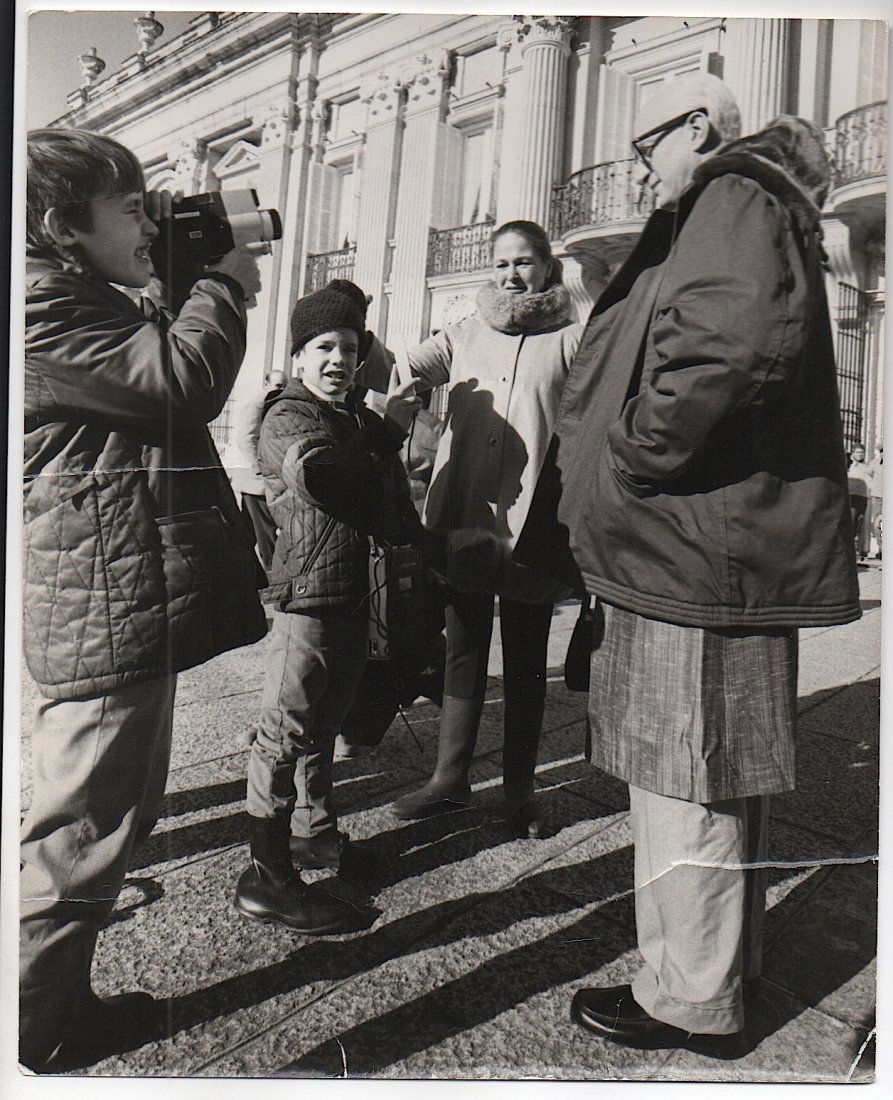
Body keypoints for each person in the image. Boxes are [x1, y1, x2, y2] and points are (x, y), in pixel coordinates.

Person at [549, 75, 860, 1047]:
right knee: (712, 780)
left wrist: (632, 455)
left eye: (643, 145)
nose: (637, 167)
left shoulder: (728, 195)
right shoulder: (759, 203)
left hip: (690, 550)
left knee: (683, 780)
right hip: (705, 550)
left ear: (694, 126)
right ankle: (718, 975)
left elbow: (726, 348)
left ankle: (686, 996)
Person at [21, 128, 268, 1071]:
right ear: (61, 226)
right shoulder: (41, 305)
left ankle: (51, 1008)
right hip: (101, 602)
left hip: (115, 594)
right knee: (76, 839)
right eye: (129, 205)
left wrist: (177, 277)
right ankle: (31, 1031)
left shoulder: (76, 293)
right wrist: (225, 280)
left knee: (103, 826)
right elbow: (179, 380)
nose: (149, 218)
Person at [384, 220, 582, 838]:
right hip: (466, 512)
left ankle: (520, 791)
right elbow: (398, 371)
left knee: (525, 657)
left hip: (536, 523)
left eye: (524, 263)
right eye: (501, 263)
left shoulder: (574, 339)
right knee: (463, 646)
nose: (510, 275)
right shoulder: (465, 330)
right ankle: (449, 778)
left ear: (547, 269)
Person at [236, 280, 423, 926]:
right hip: (308, 600)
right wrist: (388, 434)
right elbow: (329, 479)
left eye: (347, 348)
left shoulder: (357, 419)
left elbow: (393, 503)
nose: (338, 360)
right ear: (297, 356)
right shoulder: (287, 415)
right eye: (323, 347)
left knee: (324, 723)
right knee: (285, 730)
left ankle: (313, 830)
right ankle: (265, 871)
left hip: (354, 597)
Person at [230, 369, 287, 570]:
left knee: (247, 536)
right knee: (266, 536)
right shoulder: (258, 404)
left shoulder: (272, 404)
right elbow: (246, 437)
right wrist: (259, 468)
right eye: (278, 385)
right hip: (257, 485)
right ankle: (271, 580)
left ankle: (250, 578)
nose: (281, 390)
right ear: (266, 383)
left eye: (283, 386)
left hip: (254, 484)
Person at [847, 443, 871, 558]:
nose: (860, 454)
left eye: (862, 452)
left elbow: (870, 482)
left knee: (860, 523)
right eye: (857, 452)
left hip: (863, 497)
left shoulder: (867, 467)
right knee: (851, 523)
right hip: (851, 497)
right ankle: (849, 551)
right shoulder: (849, 466)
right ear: (852, 454)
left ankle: (861, 552)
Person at [868, 444, 883, 558]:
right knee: (876, 525)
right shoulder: (874, 463)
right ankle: (881, 549)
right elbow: (867, 474)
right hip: (877, 498)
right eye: (881, 450)